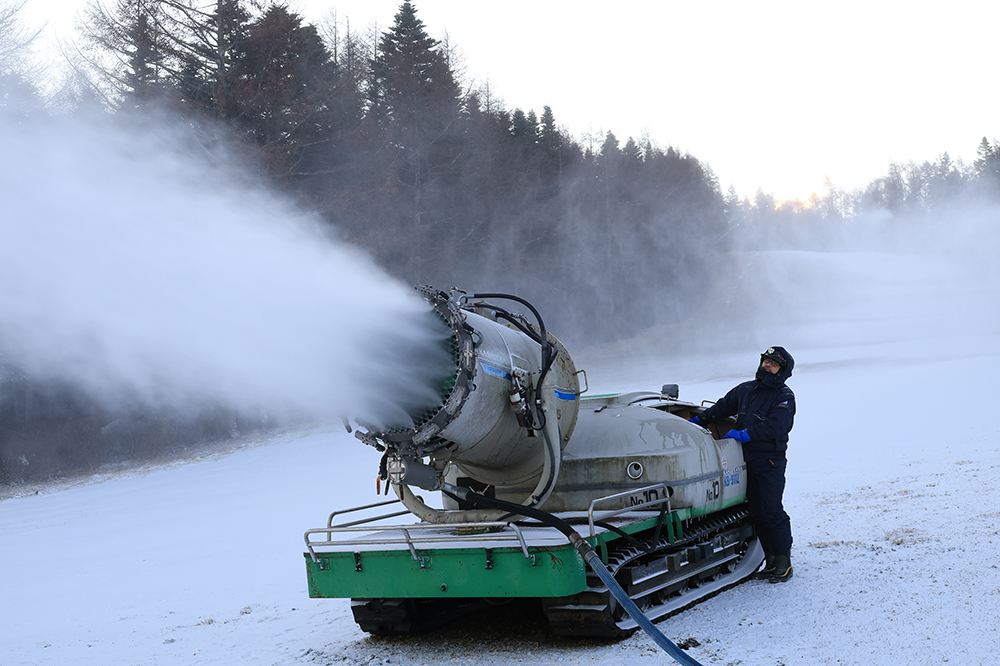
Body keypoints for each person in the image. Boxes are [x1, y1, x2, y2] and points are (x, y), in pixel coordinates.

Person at [690, 346, 796, 583]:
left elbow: (776, 427)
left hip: (770, 461)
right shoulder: (746, 389)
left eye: (773, 364)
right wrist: (696, 421)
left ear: (783, 370)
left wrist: (744, 434)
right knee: (756, 511)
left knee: (772, 511)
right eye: (765, 361)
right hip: (746, 461)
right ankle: (769, 561)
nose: (767, 366)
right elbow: (722, 407)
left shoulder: (784, 397)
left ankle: (783, 561)